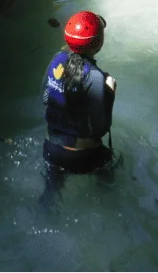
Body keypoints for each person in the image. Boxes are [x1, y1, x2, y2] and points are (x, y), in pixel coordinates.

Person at [41, 10, 117, 174]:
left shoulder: (57, 59)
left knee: (50, 193)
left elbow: (46, 99)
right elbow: (101, 129)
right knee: (109, 166)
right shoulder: (96, 77)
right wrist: (110, 94)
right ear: (99, 44)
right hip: (82, 157)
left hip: (51, 150)